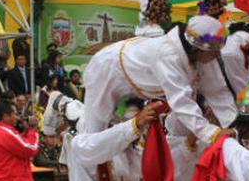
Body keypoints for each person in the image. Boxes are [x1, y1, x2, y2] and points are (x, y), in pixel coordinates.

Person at [81, 15, 230, 146]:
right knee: (95, 135)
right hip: (107, 71)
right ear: (197, 49)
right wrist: (212, 133)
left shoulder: (204, 56)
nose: (217, 55)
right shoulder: (168, 55)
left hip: (138, 89)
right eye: (214, 51)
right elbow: (181, 102)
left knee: (131, 142)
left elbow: (217, 92)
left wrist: (234, 127)